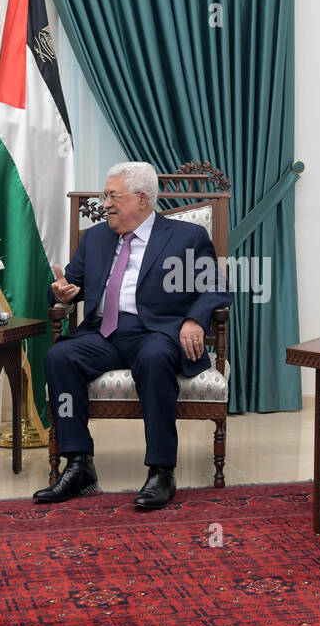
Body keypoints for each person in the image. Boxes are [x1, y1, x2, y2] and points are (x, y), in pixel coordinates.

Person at [37, 161, 232, 509]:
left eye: (113, 195)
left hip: (155, 332)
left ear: (142, 200)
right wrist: (62, 292)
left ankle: (161, 470)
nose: (106, 203)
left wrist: (195, 320)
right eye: (105, 195)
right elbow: (70, 285)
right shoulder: (95, 237)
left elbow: (216, 287)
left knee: (155, 358)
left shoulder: (186, 237)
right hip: (104, 333)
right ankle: (79, 463)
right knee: (59, 356)